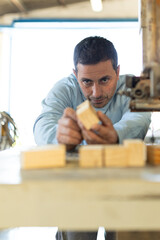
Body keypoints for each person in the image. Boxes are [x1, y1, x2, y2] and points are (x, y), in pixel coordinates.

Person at [33, 36, 151, 240]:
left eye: (105, 80)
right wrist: (59, 138)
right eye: (86, 82)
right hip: (76, 189)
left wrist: (115, 135)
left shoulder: (136, 85)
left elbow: (141, 119)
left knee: (124, 234)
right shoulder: (64, 88)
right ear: (75, 74)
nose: (96, 93)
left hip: (126, 187)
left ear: (118, 71)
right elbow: (42, 125)